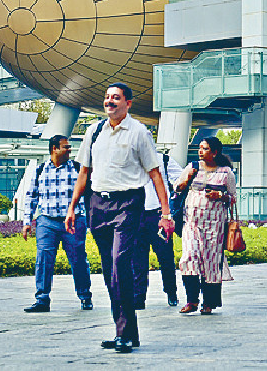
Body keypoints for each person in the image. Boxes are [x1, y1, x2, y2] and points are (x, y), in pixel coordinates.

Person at [65, 83, 175, 354]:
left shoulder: (139, 132)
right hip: (97, 204)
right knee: (109, 271)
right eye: (107, 98)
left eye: (116, 98)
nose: (110, 102)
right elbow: (83, 174)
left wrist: (166, 213)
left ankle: (124, 332)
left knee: (119, 264)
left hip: (128, 203)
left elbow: (155, 174)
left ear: (128, 103)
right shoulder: (93, 132)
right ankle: (126, 331)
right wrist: (72, 207)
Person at [22, 134, 93, 313]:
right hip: (46, 222)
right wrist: (27, 221)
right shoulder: (40, 170)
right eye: (65, 147)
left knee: (78, 260)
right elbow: (31, 196)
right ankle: (42, 299)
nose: (69, 150)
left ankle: (85, 296)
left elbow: (89, 194)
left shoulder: (78, 169)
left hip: (74, 222)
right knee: (43, 260)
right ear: (54, 149)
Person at [175, 136, 237, 314]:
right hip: (191, 221)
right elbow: (177, 188)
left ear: (215, 152)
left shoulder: (226, 172)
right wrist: (185, 181)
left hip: (215, 224)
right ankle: (191, 300)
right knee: (189, 256)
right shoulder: (193, 167)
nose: (201, 152)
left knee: (210, 262)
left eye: (205, 148)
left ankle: (209, 303)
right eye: (200, 148)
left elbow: (233, 197)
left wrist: (221, 196)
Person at [133, 149, 183, 309]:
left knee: (166, 256)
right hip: (136, 215)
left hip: (159, 215)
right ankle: (138, 296)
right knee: (138, 259)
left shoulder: (164, 160)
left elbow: (181, 180)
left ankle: (171, 292)